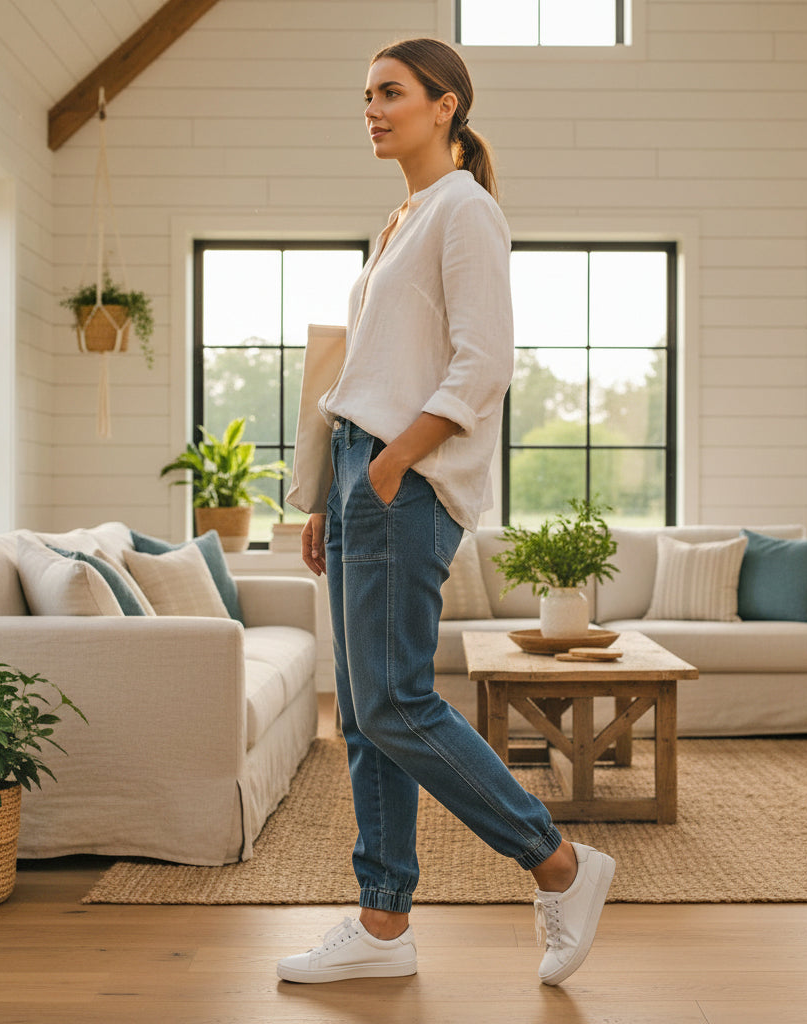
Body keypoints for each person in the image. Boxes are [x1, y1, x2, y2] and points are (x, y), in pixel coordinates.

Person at [276, 37, 615, 988]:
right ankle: (383, 926)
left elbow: (484, 362)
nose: (373, 110)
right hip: (357, 477)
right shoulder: (402, 216)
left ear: (446, 105)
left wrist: (391, 463)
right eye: (367, 96)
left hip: (400, 481)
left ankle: (558, 862)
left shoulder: (464, 211)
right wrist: (329, 492)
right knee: (364, 713)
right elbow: (361, 368)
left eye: (391, 93)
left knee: (394, 701)